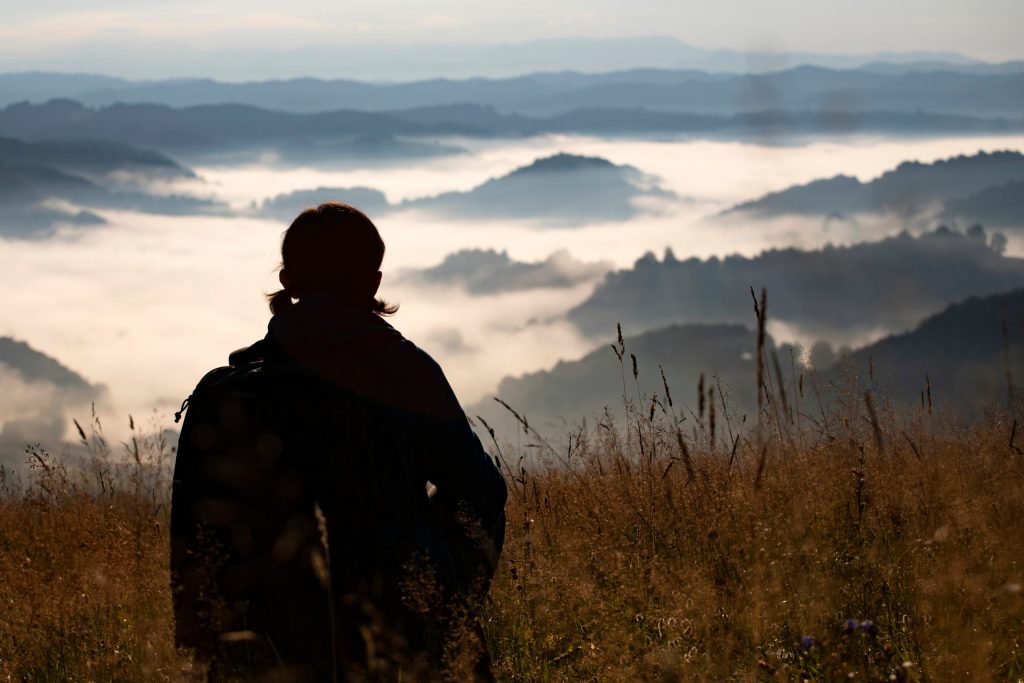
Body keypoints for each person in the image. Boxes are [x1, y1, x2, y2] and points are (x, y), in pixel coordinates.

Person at [170, 202, 508, 681]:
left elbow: (194, 541)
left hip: (261, 643)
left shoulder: (226, 392)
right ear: (373, 283)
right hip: (394, 629)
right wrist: (445, 594)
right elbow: (482, 493)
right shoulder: (405, 371)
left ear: (287, 282)